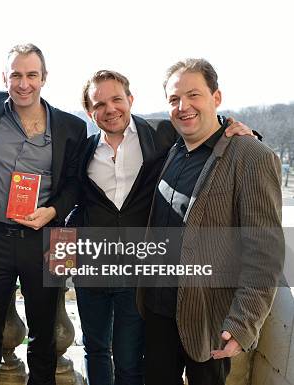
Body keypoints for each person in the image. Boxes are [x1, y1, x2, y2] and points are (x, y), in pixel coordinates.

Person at [71, 69, 258, 385]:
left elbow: (201, 125)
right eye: (99, 104)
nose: (109, 108)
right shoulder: (83, 149)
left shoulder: (160, 134)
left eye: (117, 99)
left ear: (130, 99)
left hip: (138, 271)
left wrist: (236, 128)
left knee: (130, 358)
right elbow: (71, 201)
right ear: (91, 111)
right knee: (96, 349)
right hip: (92, 266)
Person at [139, 58, 283, 385]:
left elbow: (265, 253)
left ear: (216, 98)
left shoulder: (251, 156)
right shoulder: (172, 149)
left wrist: (244, 323)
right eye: (174, 99)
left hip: (208, 317)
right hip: (159, 310)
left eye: (194, 95)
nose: (183, 106)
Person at [0, 44, 87, 385]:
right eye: (16, 75)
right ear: (4, 77)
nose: (24, 84)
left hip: (50, 237)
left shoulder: (70, 127)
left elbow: (74, 184)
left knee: (45, 336)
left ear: (44, 78)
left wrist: (51, 211)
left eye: (31, 75)